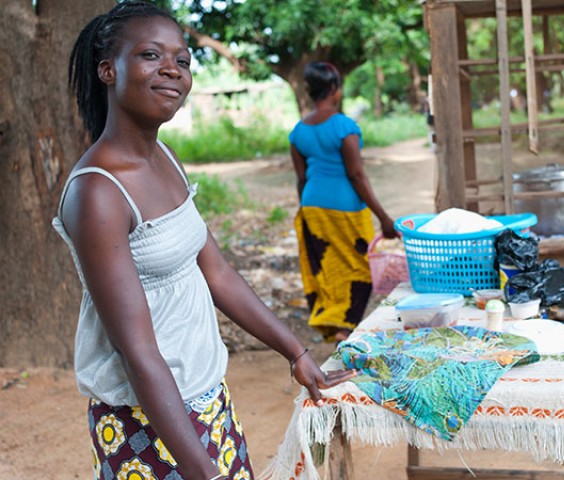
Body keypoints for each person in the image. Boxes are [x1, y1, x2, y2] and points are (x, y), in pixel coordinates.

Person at [54, 3, 356, 479]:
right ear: (108, 69)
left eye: (184, 59)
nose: (173, 69)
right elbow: (138, 351)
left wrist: (295, 351)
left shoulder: (165, 158)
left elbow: (215, 271)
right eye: (152, 55)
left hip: (206, 399)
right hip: (146, 421)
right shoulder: (98, 192)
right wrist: (204, 473)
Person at [289, 62, 398, 343]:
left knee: (330, 268)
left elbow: (301, 179)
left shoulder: (298, 131)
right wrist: (384, 217)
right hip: (346, 207)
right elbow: (356, 174)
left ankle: (335, 324)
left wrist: (307, 212)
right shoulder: (344, 126)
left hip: (312, 205)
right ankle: (345, 327)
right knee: (361, 267)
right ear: (335, 90)